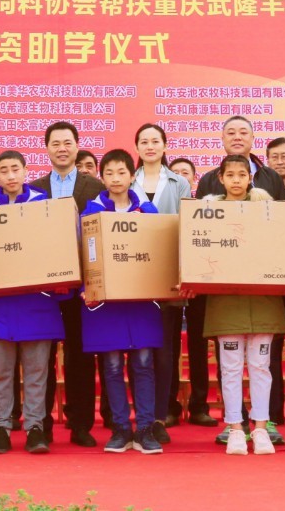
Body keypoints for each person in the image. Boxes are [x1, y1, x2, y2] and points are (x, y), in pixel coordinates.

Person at [192, 116, 285, 443]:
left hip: (263, 298)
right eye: (230, 175)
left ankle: (263, 425)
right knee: (230, 366)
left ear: (251, 178)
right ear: (220, 179)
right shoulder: (208, 206)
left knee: (263, 365)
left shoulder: (267, 204)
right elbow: (197, 248)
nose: (236, 180)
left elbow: (283, 240)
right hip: (225, 299)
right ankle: (234, 425)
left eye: (242, 175)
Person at [0, 151, 71, 454]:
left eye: (15, 169)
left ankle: (35, 427)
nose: (10, 176)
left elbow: (57, 247)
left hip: (36, 303)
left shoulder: (43, 204)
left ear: (25, 171)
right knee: (0, 372)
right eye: (3, 170)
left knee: (36, 372)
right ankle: (2, 428)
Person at [82, 149, 165, 454]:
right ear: (101, 177)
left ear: (132, 176)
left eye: (122, 172)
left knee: (143, 364)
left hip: (141, 301)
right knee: (113, 366)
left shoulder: (148, 211)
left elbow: (160, 253)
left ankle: (144, 428)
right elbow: (82, 254)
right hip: (106, 305)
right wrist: (86, 287)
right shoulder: (91, 212)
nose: (116, 179)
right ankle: (120, 428)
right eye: (109, 173)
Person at [28, 122, 105, 447]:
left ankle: (81, 424)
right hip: (44, 289)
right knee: (41, 357)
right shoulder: (34, 189)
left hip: (82, 288)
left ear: (76, 146)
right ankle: (41, 425)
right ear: (47, 148)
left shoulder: (95, 187)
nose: (62, 148)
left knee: (80, 356)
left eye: (67, 143)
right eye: (55, 143)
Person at [131, 123, 193, 443]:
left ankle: (160, 415)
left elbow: (188, 228)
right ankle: (142, 414)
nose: (150, 146)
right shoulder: (128, 181)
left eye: (155, 140)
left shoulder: (179, 182)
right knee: (141, 348)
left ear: (165, 145)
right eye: (144, 141)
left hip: (169, 275)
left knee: (165, 350)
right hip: (136, 276)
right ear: (137, 148)